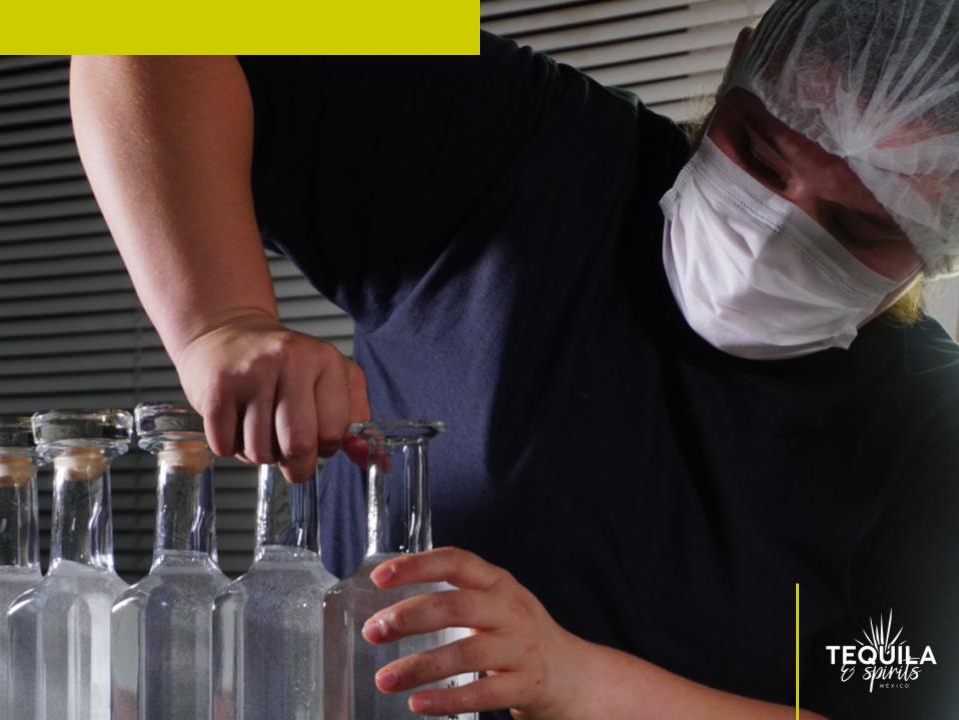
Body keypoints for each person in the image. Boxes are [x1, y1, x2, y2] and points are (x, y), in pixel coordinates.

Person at [68, 1, 959, 717]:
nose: (775, 227)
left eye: (856, 227)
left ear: (940, 239)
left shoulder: (929, 434)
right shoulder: (528, 146)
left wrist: (577, 683)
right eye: (757, 153)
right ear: (736, 68)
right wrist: (218, 318)